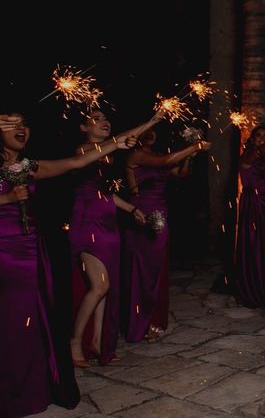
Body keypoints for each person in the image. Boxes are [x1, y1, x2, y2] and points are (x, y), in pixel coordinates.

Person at [1, 110, 136, 417]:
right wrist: (6, 200)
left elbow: (75, 163)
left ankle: (33, 385)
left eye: (25, 123)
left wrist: (117, 144)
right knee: (9, 321)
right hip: (2, 253)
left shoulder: (28, 167)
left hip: (32, 250)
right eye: (12, 124)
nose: (22, 129)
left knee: (34, 321)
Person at [70, 109, 159, 366]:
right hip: (86, 224)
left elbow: (106, 194)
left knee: (106, 287)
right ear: (83, 128)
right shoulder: (82, 151)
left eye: (105, 117)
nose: (103, 121)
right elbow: (117, 141)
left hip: (108, 224)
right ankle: (74, 341)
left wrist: (132, 209)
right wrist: (145, 125)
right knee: (99, 285)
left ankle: (98, 342)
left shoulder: (107, 158)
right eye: (95, 119)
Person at [123, 128, 209, 342]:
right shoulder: (135, 155)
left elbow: (181, 174)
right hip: (141, 215)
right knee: (142, 270)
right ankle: (139, 322)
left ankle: (152, 319)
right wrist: (194, 146)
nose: (150, 133)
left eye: (153, 131)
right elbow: (167, 161)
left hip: (161, 216)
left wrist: (189, 157)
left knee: (156, 269)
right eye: (145, 130)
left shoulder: (157, 155)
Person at [234, 125, 265, 310]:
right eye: (258, 136)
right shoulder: (248, 155)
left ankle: (263, 286)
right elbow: (258, 153)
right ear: (252, 139)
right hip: (254, 204)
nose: (261, 139)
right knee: (254, 246)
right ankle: (252, 290)